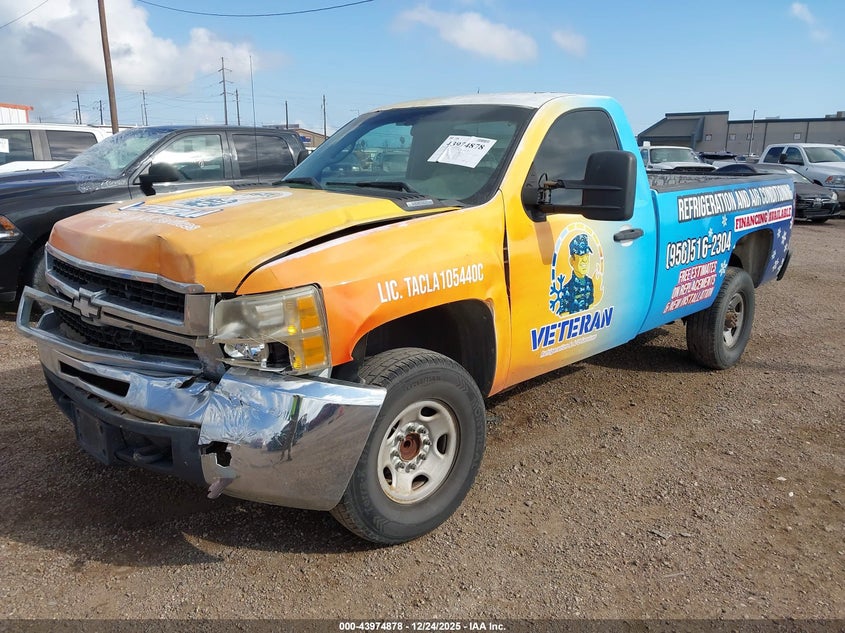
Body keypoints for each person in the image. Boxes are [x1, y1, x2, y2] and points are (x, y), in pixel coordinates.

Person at [562, 233, 594, 313]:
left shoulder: (590, 282)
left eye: (587, 255)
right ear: (572, 261)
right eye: (581, 256)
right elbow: (564, 316)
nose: (585, 260)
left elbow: (593, 307)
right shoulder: (567, 289)